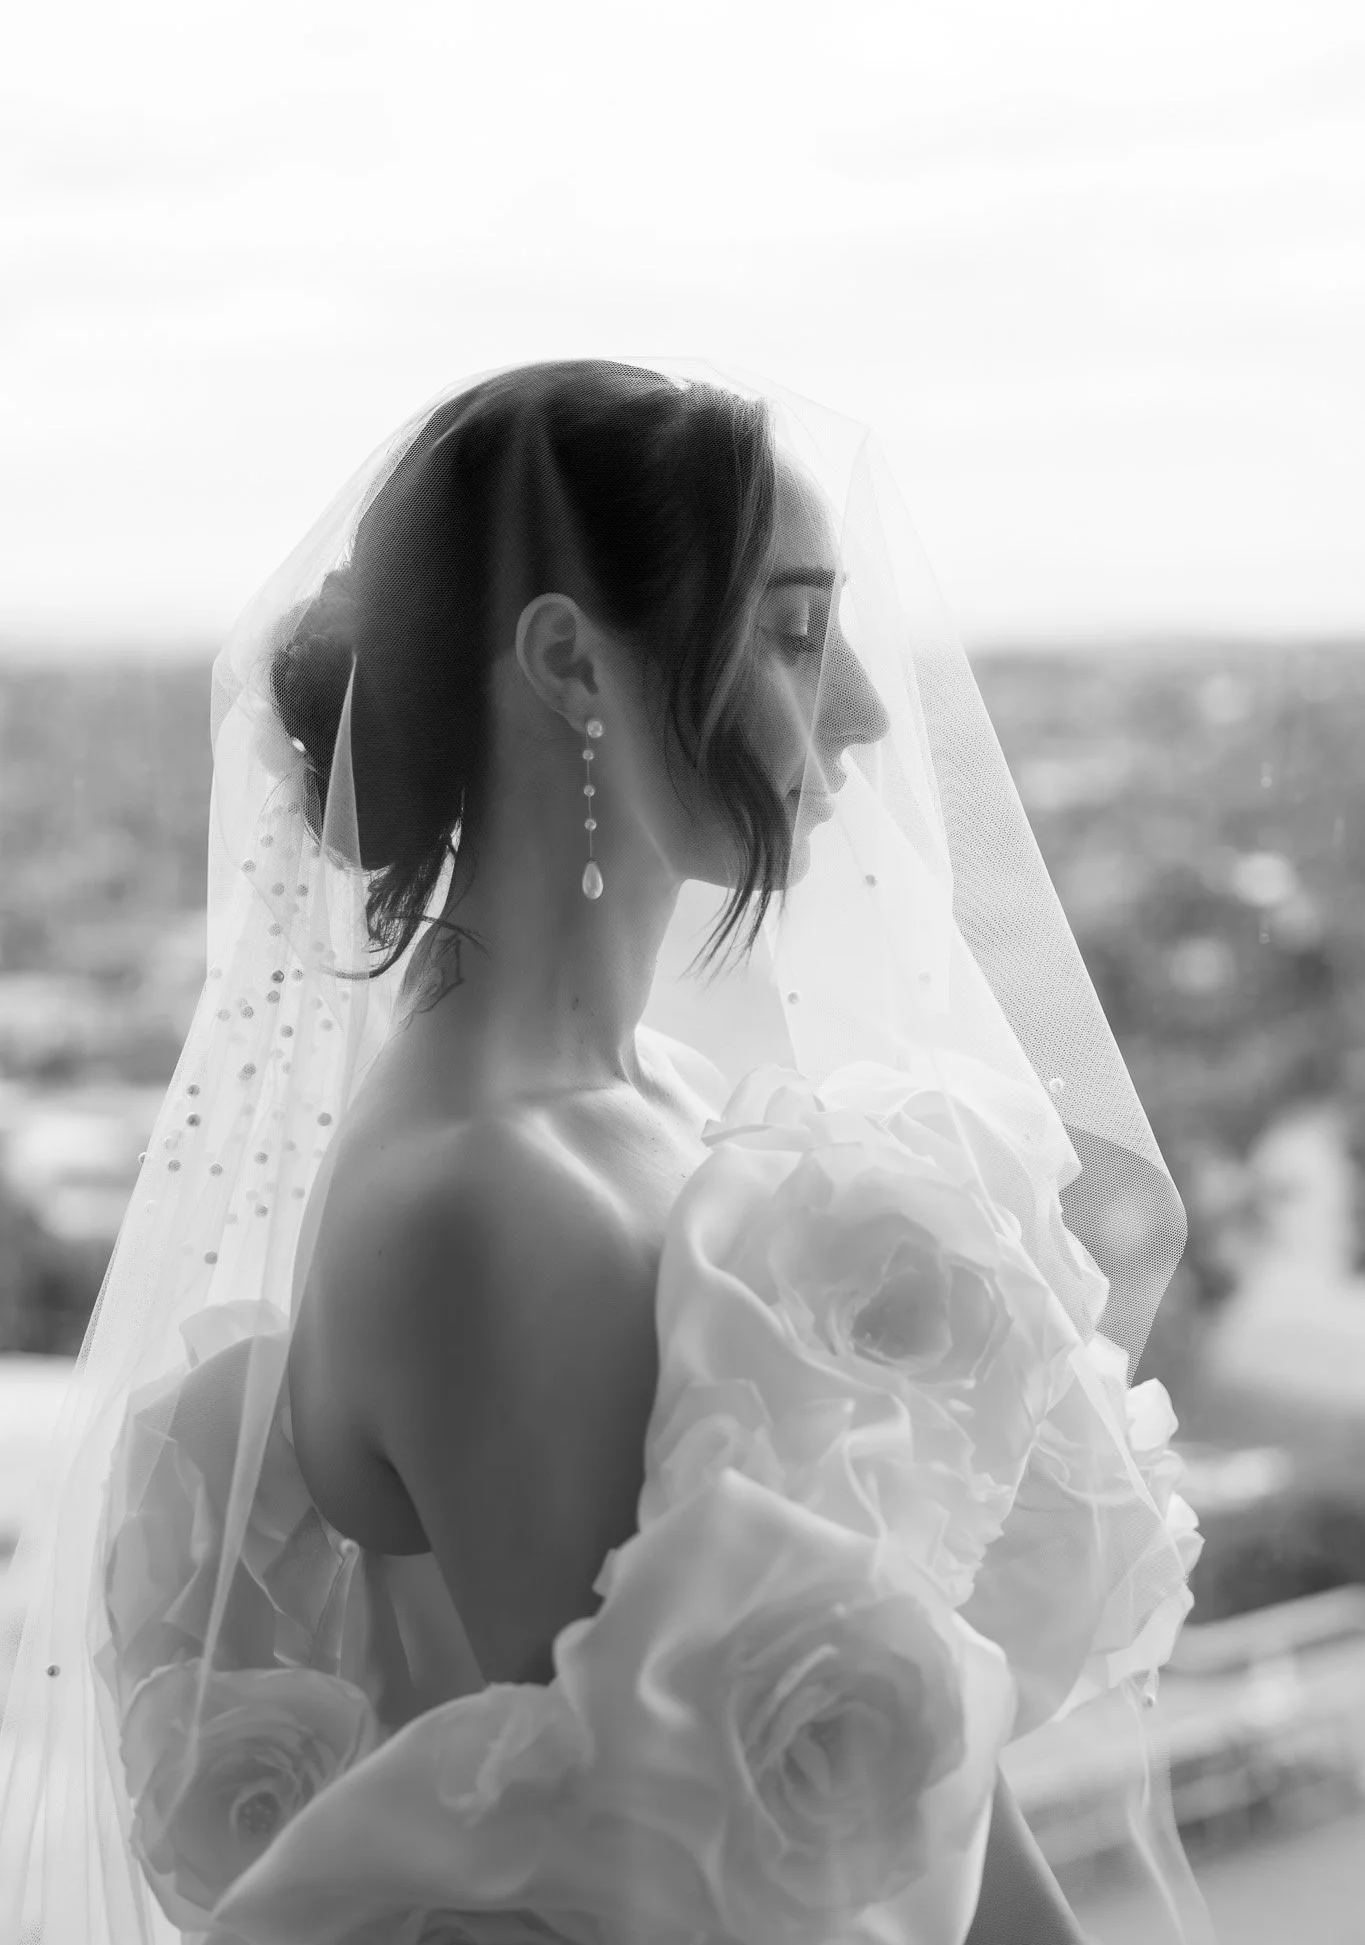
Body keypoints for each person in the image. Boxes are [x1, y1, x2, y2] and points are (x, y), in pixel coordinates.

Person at [0, 359, 1208, 1945]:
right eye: (792, 632)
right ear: (572, 662)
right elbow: (702, 1875)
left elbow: (885, 1791)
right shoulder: (481, 1204)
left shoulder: (654, 1104)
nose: (854, 708)